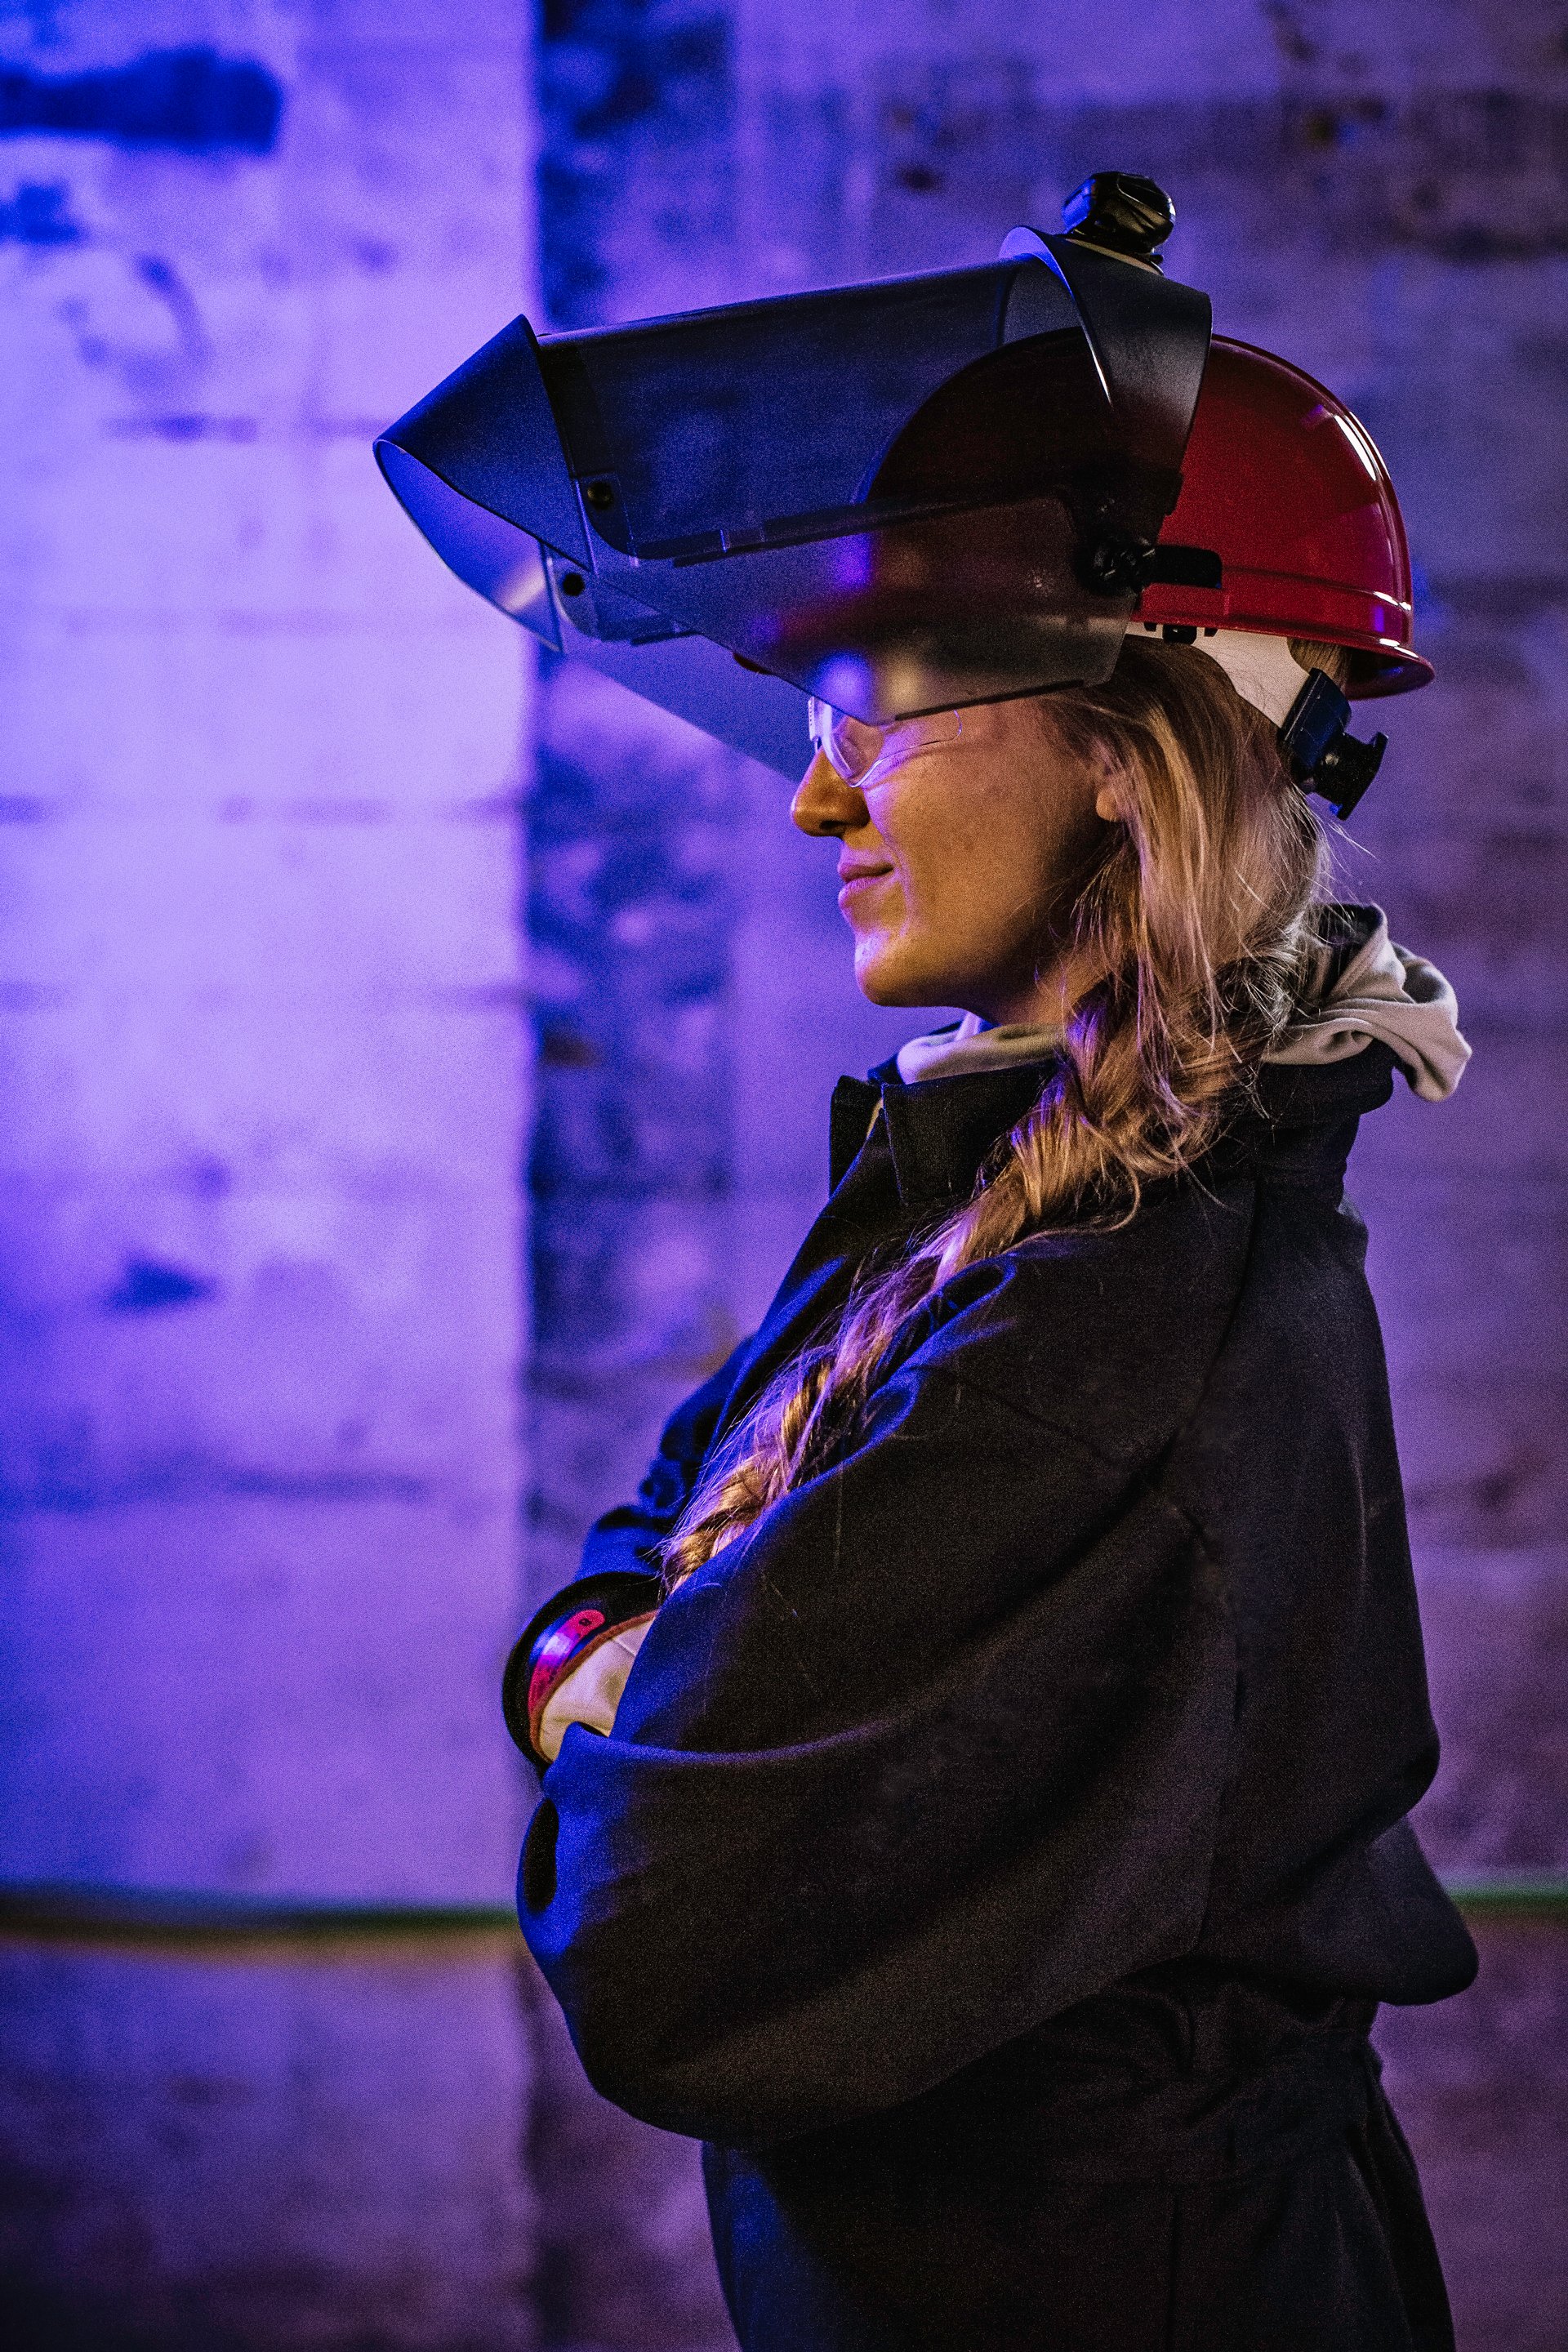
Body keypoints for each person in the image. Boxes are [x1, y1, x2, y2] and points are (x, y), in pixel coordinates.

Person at [492, 295, 1479, 2351]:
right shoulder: (973, 1185)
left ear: (1122, 757)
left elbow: (660, 1937)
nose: (815, 802)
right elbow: (652, 1533)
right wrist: (631, 1672)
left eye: (879, 704)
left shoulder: (1112, 1317)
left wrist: (625, 1692)